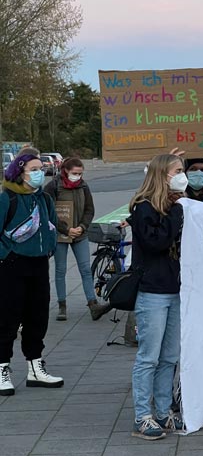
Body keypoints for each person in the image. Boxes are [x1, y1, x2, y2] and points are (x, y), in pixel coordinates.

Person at [129, 154, 185, 439]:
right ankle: (143, 416)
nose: (182, 175)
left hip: (175, 291)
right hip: (152, 291)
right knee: (148, 357)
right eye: (177, 171)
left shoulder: (175, 205)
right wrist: (175, 214)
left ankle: (164, 412)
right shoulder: (144, 207)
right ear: (163, 174)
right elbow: (156, 242)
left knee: (170, 357)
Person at [0, 154, 63, 396]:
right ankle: (2, 367)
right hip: (11, 265)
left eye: (42, 168)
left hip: (38, 264)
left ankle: (35, 367)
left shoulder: (44, 199)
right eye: (34, 168)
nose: (40, 172)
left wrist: (48, 248)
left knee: (38, 316)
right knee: (7, 317)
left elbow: (52, 225)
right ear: (20, 171)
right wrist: (6, 254)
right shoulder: (7, 198)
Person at [43, 157, 109, 321]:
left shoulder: (84, 186)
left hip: (80, 233)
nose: (78, 176)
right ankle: (62, 306)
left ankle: (93, 304)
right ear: (66, 171)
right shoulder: (53, 186)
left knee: (86, 270)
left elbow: (89, 209)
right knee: (60, 270)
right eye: (75, 173)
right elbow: (48, 212)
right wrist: (66, 229)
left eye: (80, 173)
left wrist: (82, 227)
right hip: (60, 235)